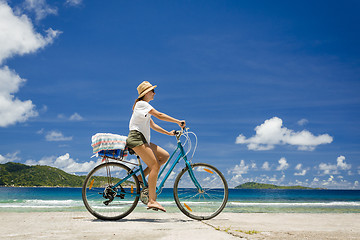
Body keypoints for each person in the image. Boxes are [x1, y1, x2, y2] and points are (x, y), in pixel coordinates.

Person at [126, 81, 185, 212]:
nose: (154, 93)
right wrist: (178, 121)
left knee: (164, 156)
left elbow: (153, 125)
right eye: (153, 91)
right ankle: (152, 200)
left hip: (143, 140)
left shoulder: (144, 108)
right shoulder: (142, 104)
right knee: (155, 166)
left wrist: (168, 133)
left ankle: (141, 178)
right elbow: (159, 115)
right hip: (137, 139)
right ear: (146, 93)